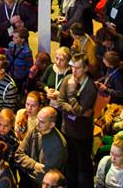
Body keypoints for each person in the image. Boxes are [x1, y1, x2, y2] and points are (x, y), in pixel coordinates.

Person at [46, 58, 96, 188]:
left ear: (85, 68)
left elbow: (78, 111)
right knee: (69, 165)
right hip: (66, 129)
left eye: (78, 68)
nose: (74, 71)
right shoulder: (67, 79)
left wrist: (71, 94)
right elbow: (60, 102)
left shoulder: (90, 87)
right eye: (72, 67)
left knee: (83, 169)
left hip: (82, 134)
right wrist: (75, 110)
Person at [14, 106, 67, 188]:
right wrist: (35, 165)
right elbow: (18, 154)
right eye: (37, 118)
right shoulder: (36, 129)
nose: (37, 123)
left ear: (52, 125)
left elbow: (46, 176)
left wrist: (26, 166)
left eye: (41, 122)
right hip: (26, 180)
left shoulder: (58, 146)